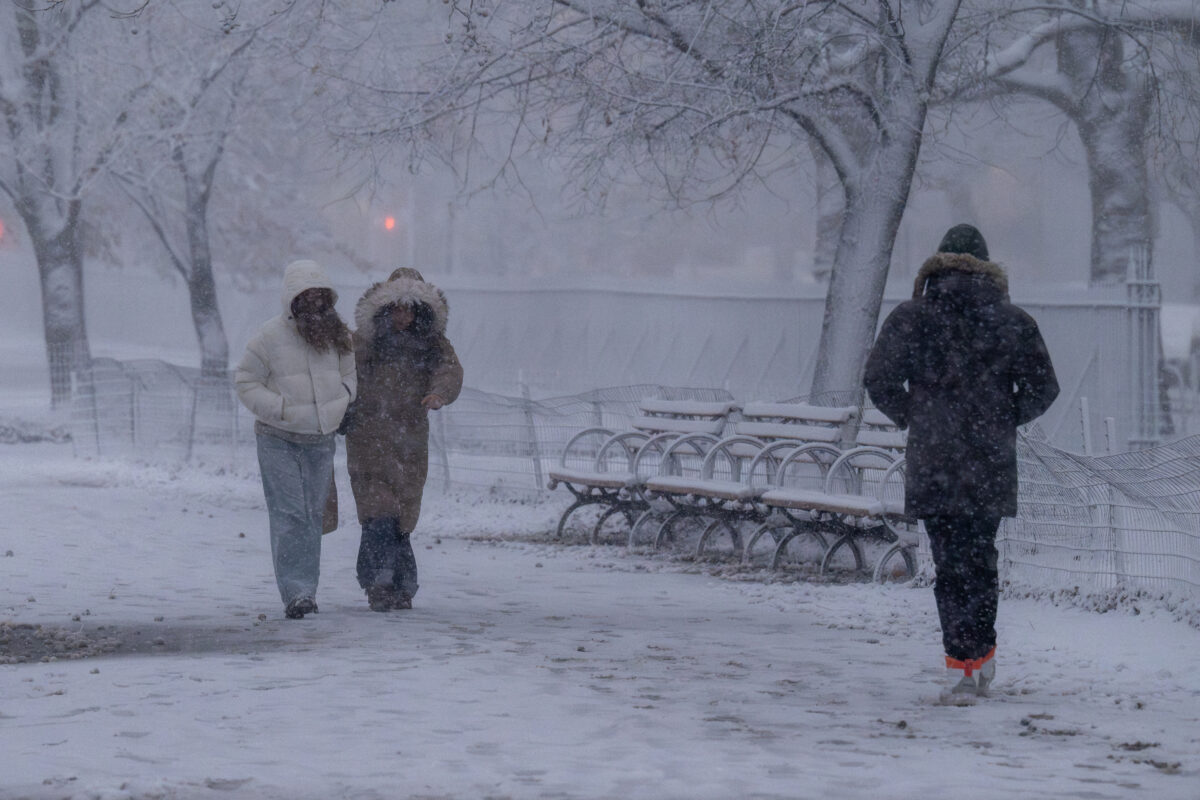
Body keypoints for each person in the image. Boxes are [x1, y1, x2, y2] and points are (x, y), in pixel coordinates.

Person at [863, 224, 1059, 696]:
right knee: (981, 560)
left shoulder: (911, 318)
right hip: (989, 462)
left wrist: (914, 414)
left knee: (949, 564)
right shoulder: (1012, 321)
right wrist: (1004, 416)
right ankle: (983, 656)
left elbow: (879, 378)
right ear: (988, 269)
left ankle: (959, 661)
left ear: (938, 264)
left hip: (934, 461)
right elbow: (1044, 388)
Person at [235, 260, 356, 620]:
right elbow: (245, 381)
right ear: (293, 300)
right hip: (278, 438)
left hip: (320, 439)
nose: (315, 304)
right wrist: (280, 408)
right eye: (308, 297)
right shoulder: (268, 337)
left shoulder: (339, 338)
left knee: (311, 515)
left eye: (322, 297)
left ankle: (307, 588)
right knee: (289, 514)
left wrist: (342, 399)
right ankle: (296, 592)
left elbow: (350, 373)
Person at [342, 268, 463, 612]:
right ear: (384, 309)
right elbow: (341, 370)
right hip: (368, 437)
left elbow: (449, 370)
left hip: (409, 441)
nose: (402, 316)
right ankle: (380, 582)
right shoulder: (364, 342)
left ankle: (400, 584)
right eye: (396, 308)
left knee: (401, 516)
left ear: (421, 311)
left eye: (409, 310)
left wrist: (438, 393)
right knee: (378, 511)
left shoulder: (432, 344)